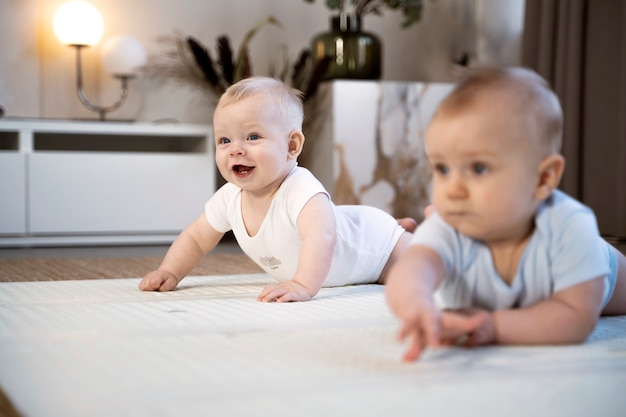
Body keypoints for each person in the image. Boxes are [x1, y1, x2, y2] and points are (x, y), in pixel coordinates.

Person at [385, 67, 626, 361]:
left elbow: (576, 318)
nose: (453, 190)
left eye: (478, 168)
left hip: (603, 274)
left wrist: (495, 326)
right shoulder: (448, 226)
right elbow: (411, 271)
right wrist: (416, 303)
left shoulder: (570, 227)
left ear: (543, 179)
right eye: (442, 169)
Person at [139, 76, 413, 302]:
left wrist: (302, 285)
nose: (235, 149)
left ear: (292, 146)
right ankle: (397, 226)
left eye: (253, 137)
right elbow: (197, 238)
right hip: (351, 240)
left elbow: (322, 236)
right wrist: (170, 271)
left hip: (380, 250)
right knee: (343, 223)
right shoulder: (230, 198)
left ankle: (417, 233)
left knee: (430, 270)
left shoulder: (300, 188)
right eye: (224, 140)